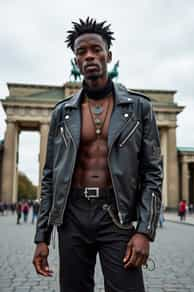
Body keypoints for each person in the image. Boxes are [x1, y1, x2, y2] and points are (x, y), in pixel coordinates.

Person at [33, 17, 162, 292]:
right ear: (76, 60)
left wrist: (144, 231)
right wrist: (41, 237)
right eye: (82, 52)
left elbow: (152, 172)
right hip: (72, 216)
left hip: (116, 213)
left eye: (96, 49)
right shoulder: (62, 113)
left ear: (109, 55)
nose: (89, 56)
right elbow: (49, 177)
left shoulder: (139, 108)